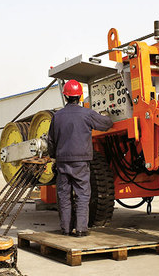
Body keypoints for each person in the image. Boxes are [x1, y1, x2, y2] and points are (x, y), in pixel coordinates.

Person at [47, 79, 113, 237]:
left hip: (63, 162)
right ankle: (81, 229)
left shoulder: (57, 116)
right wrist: (106, 115)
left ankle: (66, 229)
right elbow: (106, 124)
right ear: (80, 96)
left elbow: (51, 141)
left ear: (65, 97)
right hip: (81, 162)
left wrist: (53, 157)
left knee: (64, 195)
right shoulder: (87, 114)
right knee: (83, 194)